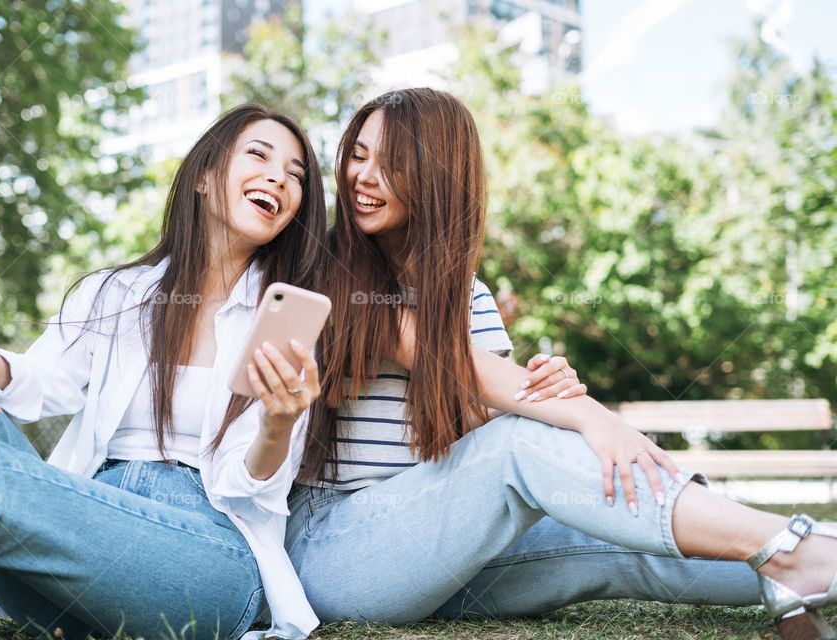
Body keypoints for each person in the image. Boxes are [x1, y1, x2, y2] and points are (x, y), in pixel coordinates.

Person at [287, 88, 837, 640]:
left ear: (437, 174)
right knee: (521, 441)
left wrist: (548, 392)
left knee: (620, 541)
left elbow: (476, 433)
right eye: (359, 154)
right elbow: (447, 365)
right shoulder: (327, 271)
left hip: (438, 555)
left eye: (392, 163)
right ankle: (788, 547)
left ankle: (798, 560)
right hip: (337, 550)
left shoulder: (468, 296)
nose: (363, 175)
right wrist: (587, 415)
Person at [0, 104, 326, 640]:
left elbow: (248, 487)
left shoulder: (282, 327)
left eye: (296, 175)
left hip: (206, 560)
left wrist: (278, 423)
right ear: (205, 176)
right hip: (77, 533)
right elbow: (44, 379)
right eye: (259, 154)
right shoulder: (117, 293)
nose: (279, 177)